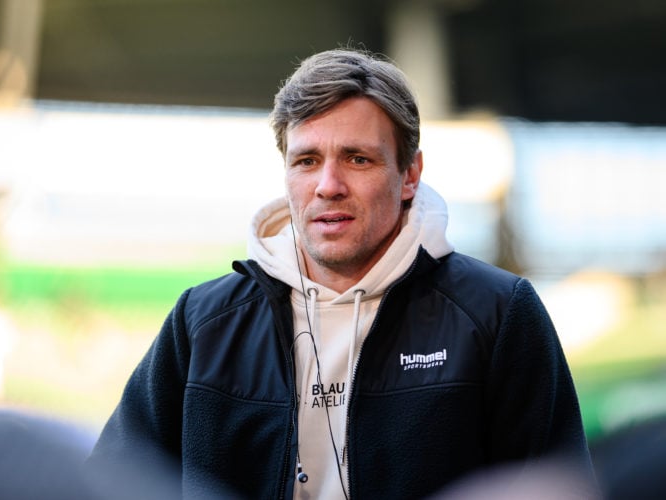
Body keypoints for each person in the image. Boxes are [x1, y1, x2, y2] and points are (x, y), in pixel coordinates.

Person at [88, 48, 596, 499]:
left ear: (409, 175)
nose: (328, 185)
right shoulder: (203, 322)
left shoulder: (498, 314)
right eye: (307, 160)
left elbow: (556, 487)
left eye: (357, 159)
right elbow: (110, 480)